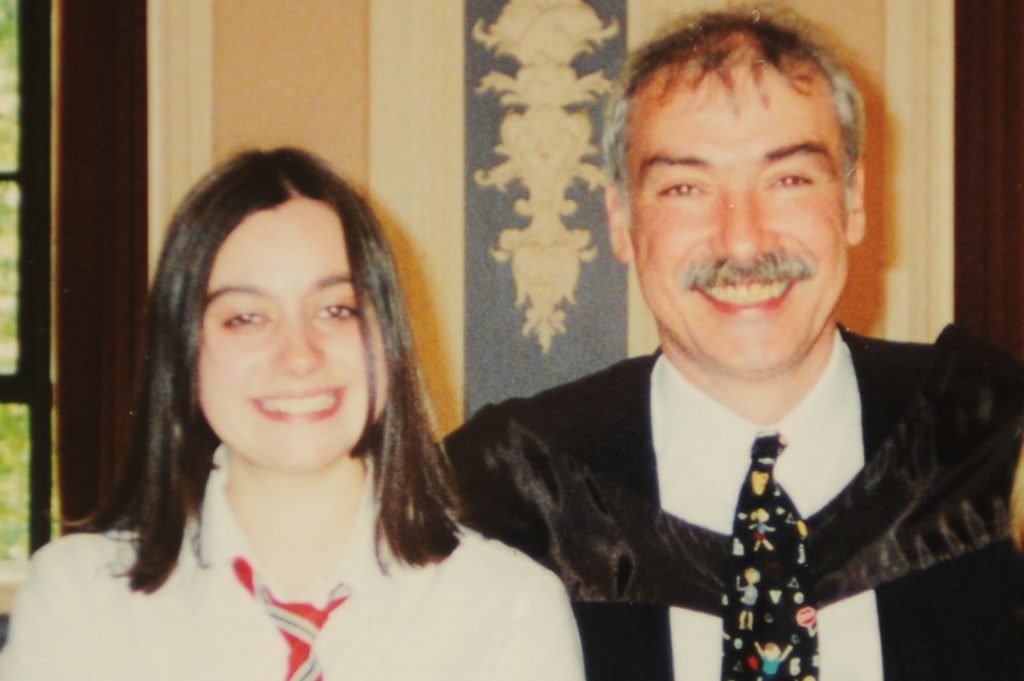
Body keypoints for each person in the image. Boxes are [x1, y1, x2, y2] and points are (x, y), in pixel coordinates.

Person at [444, 7, 1024, 681]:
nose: (743, 240)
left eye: (787, 179)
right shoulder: (505, 491)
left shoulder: (989, 446)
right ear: (622, 222)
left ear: (856, 198)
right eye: (686, 187)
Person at [0, 148, 584, 681]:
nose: (299, 355)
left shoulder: (510, 605)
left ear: (388, 335)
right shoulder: (79, 601)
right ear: (184, 351)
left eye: (335, 309)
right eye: (246, 318)